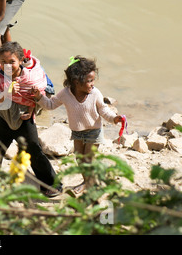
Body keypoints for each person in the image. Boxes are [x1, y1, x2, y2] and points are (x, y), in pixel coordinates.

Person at [0, 42, 62, 198]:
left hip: (24, 119)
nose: (7, 65)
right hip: (5, 115)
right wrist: (7, 92)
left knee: (34, 151)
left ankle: (52, 184)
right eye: (3, 62)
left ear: (21, 60)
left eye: (12, 62)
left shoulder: (30, 78)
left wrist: (31, 110)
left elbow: (39, 97)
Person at [31, 55, 123, 194]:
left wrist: (114, 118)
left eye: (93, 80)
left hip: (94, 131)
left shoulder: (95, 93)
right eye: (89, 81)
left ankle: (89, 183)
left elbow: (103, 109)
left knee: (88, 160)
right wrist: (39, 97)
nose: (92, 84)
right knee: (80, 160)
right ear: (75, 82)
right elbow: (50, 104)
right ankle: (88, 181)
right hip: (77, 132)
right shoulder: (65, 94)